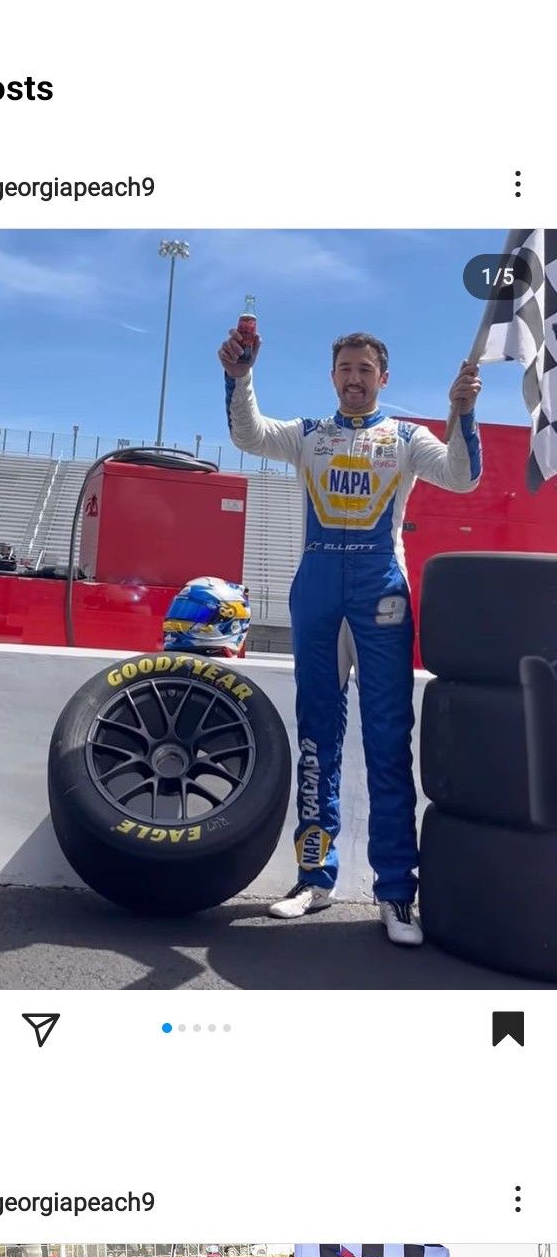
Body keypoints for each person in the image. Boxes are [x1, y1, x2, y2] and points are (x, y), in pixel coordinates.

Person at [218, 327, 482, 945]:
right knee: (317, 737)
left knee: (389, 741)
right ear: (332, 375)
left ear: (382, 378)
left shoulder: (407, 437)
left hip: (380, 592)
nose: (354, 377)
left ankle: (395, 894)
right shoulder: (309, 435)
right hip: (316, 591)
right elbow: (248, 433)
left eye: (365, 368)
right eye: (345, 368)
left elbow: (463, 476)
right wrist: (240, 376)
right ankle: (315, 879)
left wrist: (461, 413)